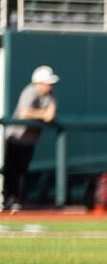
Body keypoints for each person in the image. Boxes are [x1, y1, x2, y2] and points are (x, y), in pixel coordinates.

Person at [2, 66, 58, 211]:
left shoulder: (50, 95)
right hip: (15, 139)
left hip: (29, 141)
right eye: (47, 83)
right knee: (11, 172)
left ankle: (16, 200)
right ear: (39, 82)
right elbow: (24, 113)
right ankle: (9, 200)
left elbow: (50, 114)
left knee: (22, 171)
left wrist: (42, 114)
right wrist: (42, 114)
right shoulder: (30, 91)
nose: (50, 86)